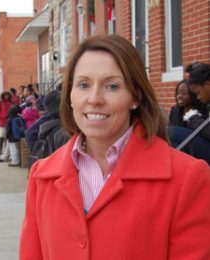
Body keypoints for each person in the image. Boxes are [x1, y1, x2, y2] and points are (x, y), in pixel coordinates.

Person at [19, 35, 210, 259]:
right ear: (70, 96)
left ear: (135, 96)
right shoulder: (42, 176)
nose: (94, 98)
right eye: (83, 84)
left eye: (111, 86)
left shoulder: (187, 177)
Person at [168, 79, 210, 163]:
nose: (179, 96)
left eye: (184, 93)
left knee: (170, 132)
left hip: (199, 149)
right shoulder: (175, 111)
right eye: (178, 93)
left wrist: (193, 119)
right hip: (183, 150)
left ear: (193, 95)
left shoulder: (202, 111)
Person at [0, 90, 12, 156]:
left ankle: (7, 150)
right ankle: (0, 149)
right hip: (2, 121)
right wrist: (1, 117)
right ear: (3, 96)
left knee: (7, 136)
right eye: (5, 95)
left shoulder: (11, 102)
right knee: (2, 135)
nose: (6, 96)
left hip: (9, 121)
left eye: (7, 95)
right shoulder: (0, 102)